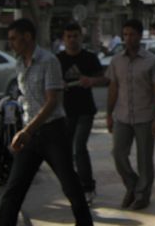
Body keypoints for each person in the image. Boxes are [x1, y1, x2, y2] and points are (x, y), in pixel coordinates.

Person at [0, 18, 92, 226]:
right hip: (30, 134)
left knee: (70, 185)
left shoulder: (48, 61)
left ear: (27, 37)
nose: (11, 43)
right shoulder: (20, 63)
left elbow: (52, 101)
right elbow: (26, 98)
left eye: (14, 38)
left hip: (52, 131)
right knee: (14, 189)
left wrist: (27, 131)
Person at [106, 19, 155, 210]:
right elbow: (113, 88)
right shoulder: (116, 61)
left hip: (145, 116)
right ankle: (132, 184)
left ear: (139, 36)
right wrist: (108, 114)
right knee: (118, 154)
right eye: (125, 34)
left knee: (144, 159)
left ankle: (142, 196)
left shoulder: (151, 61)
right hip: (122, 116)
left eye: (132, 34)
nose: (128, 38)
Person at [57, 22, 109, 204]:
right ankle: (73, 187)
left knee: (79, 147)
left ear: (81, 37)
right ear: (63, 39)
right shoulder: (57, 59)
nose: (72, 40)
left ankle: (88, 187)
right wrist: (59, 85)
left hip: (85, 110)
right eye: (68, 36)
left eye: (75, 36)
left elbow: (104, 79)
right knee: (66, 151)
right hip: (64, 112)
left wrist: (91, 81)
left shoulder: (89, 58)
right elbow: (49, 82)